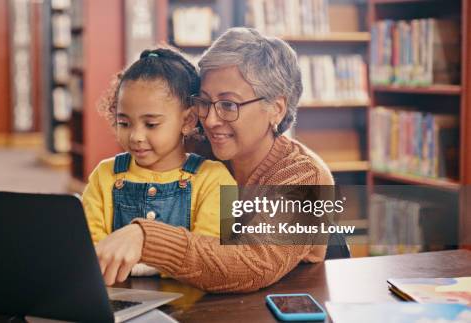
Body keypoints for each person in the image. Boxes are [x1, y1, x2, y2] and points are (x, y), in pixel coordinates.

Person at [94, 27, 334, 293]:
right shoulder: (198, 145)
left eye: (229, 105)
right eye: (204, 102)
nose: (209, 119)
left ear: (276, 109)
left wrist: (146, 237)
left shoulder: (305, 178)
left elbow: (252, 265)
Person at [81, 48, 236, 277]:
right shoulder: (104, 175)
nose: (136, 137)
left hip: (192, 304)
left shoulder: (216, 179)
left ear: (188, 120)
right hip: (117, 298)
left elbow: (210, 257)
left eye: (151, 124)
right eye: (124, 123)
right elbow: (91, 251)